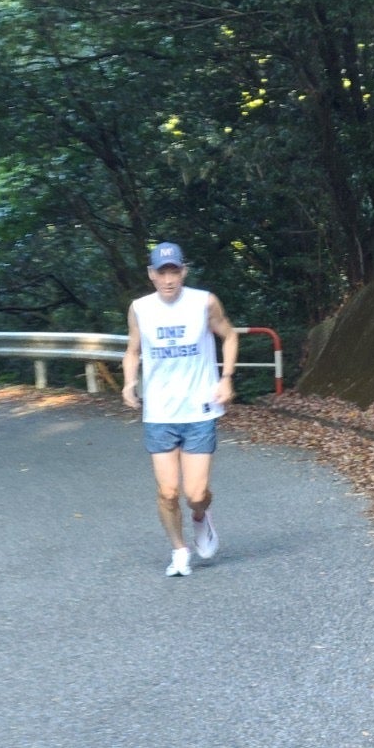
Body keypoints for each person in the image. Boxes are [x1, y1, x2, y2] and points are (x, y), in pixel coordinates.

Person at [122, 241, 238, 576]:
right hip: (160, 413)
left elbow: (229, 335)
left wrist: (226, 378)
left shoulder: (204, 302)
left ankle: (201, 516)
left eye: (174, 271)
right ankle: (179, 550)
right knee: (168, 491)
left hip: (199, 409)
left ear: (183, 272)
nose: (168, 279)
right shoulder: (140, 308)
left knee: (195, 494)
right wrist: (129, 382)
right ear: (151, 274)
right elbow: (133, 350)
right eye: (162, 272)